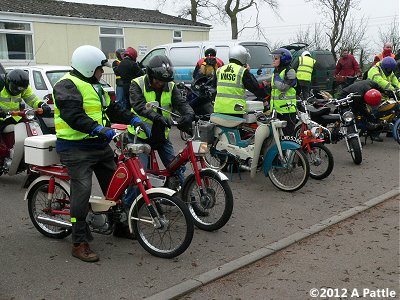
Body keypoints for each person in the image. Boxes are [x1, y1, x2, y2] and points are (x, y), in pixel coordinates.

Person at [53, 45, 150, 263]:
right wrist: (98, 129)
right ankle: (78, 242)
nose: (102, 72)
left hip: (98, 146)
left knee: (117, 185)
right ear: (88, 67)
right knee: (82, 190)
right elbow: (73, 116)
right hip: (75, 148)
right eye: (99, 69)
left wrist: (133, 118)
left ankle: (119, 226)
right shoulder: (66, 85)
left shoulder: (95, 86)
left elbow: (112, 109)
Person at [128, 55, 195, 190]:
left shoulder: (170, 85)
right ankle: (130, 205)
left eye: (164, 81)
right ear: (150, 75)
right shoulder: (137, 84)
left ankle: (185, 196)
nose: (161, 84)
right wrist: (157, 117)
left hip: (162, 135)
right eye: (158, 80)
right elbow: (139, 106)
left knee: (176, 167)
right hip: (141, 136)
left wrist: (189, 114)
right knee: (140, 174)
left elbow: (181, 103)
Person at [214, 45, 267, 116]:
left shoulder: (220, 70)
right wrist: (248, 72)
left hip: (219, 109)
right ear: (242, 57)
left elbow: (214, 88)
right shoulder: (242, 71)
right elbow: (255, 89)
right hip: (235, 110)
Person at [269, 48, 297, 136]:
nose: (273, 60)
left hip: (287, 111)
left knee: (287, 136)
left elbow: (282, 87)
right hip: (276, 111)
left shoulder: (290, 71)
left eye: (276, 58)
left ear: (283, 59)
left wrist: (276, 75)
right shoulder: (276, 71)